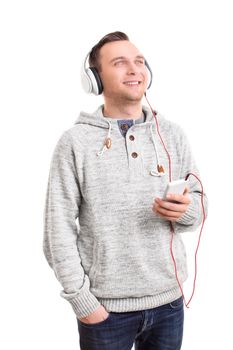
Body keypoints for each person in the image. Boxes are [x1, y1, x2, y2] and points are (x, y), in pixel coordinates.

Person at [43, 31, 208, 350]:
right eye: (120, 63)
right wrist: (83, 302)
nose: (134, 69)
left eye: (140, 62)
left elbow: (200, 204)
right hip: (105, 312)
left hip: (169, 304)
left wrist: (185, 210)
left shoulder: (172, 135)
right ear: (94, 79)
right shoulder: (74, 143)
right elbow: (57, 231)